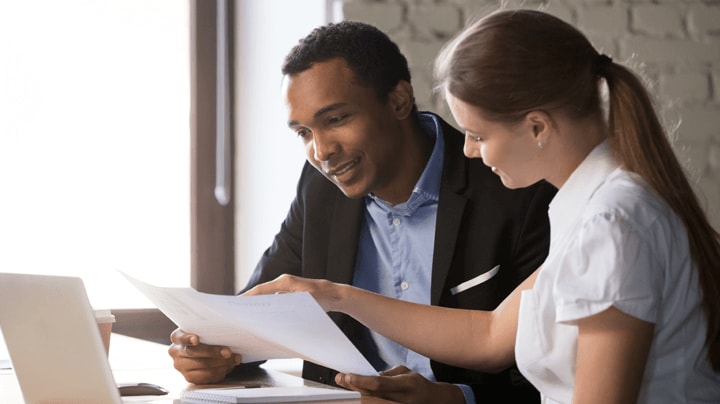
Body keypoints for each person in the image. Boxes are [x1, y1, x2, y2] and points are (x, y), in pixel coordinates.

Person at [244, 9, 720, 404]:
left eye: (477, 135)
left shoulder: (612, 223)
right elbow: (489, 336)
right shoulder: (594, 209)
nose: (468, 152)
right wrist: (335, 295)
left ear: (536, 127)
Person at [168, 21, 556, 403]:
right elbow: (262, 309)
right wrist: (216, 353)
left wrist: (455, 397)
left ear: (399, 101)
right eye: (304, 132)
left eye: (336, 120)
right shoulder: (321, 186)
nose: (321, 152)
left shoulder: (514, 188)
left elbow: (551, 374)